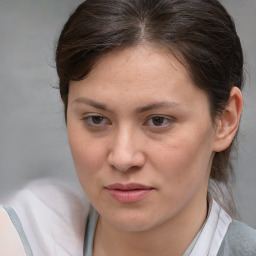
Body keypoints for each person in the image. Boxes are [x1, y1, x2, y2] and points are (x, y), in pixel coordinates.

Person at [0, 0, 256, 255]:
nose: (122, 158)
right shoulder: (20, 239)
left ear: (225, 120)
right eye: (96, 119)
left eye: (158, 120)